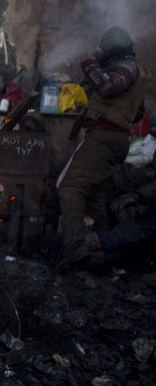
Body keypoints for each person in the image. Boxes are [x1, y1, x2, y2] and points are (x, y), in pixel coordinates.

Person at [57, 26, 150, 270]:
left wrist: (89, 63)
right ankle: (101, 248)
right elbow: (138, 112)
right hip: (116, 140)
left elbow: (108, 87)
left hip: (104, 139)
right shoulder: (138, 72)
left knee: (71, 187)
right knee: (96, 193)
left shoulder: (126, 68)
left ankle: (75, 249)